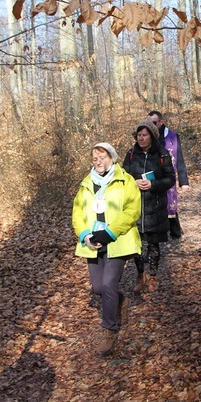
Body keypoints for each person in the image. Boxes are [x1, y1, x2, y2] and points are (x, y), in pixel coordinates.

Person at [72, 143, 142, 356]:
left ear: (112, 158)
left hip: (116, 241)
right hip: (93, 243)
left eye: (102, 157)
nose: (99, 161)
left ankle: (109, 331)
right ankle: (121, 301)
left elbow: (132, 210)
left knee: (109, 284)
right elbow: (77, 213)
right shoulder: (86, 184)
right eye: (95, 158)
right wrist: (85, 235)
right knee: (98, 288)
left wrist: (110, 233)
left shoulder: (125, 180)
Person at [122, 121, 176, 294]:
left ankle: (153, 276)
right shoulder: (131, 154)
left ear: (152, 136)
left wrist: (153, 184)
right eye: (139, 135)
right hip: (135, 206)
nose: (141, 138)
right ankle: (140, 275)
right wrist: (133, 182)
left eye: (144, 135)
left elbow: (170, 179)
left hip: (156, 205)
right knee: (136, 245)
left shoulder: (162, 154)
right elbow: (122, 177)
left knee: (153, 243)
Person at [147, 111, 190, 244]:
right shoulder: (146, 136)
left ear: (161, 122)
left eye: (154, 123)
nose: (151, 126)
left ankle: (175, 234)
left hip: (168, 176)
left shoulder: (172, 136)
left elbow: (179, 159)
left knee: (170, 206)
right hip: (152, 177)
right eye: (149, 123)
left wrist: (184, 181)